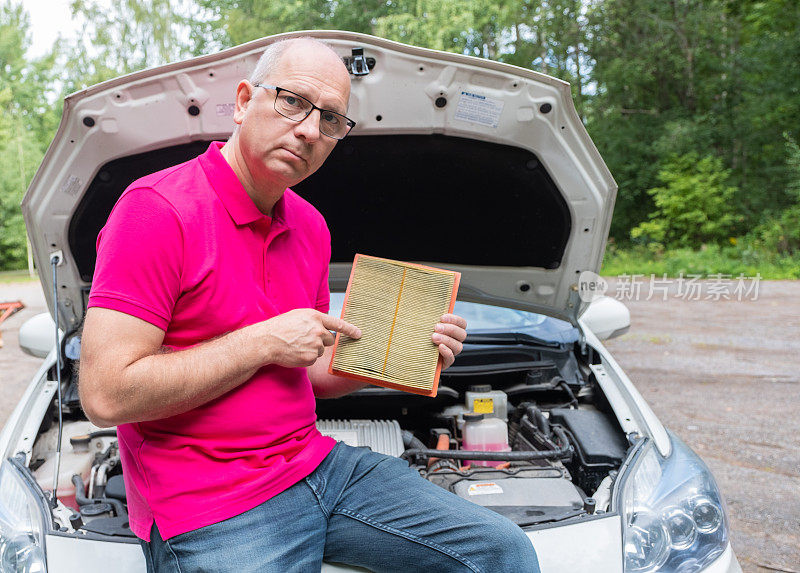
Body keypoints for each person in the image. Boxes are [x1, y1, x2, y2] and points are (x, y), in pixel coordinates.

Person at [79, 37, 540, 572]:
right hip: (211, 503)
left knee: (502, 553)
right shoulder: (156, 211)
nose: (308, 130)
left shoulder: (310, 226)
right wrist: (262, 342)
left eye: (331, 121)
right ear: (244, 100)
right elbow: (105, 395)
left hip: (316, 467)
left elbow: (313, 371)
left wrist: (405, 358)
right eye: (292, 101)